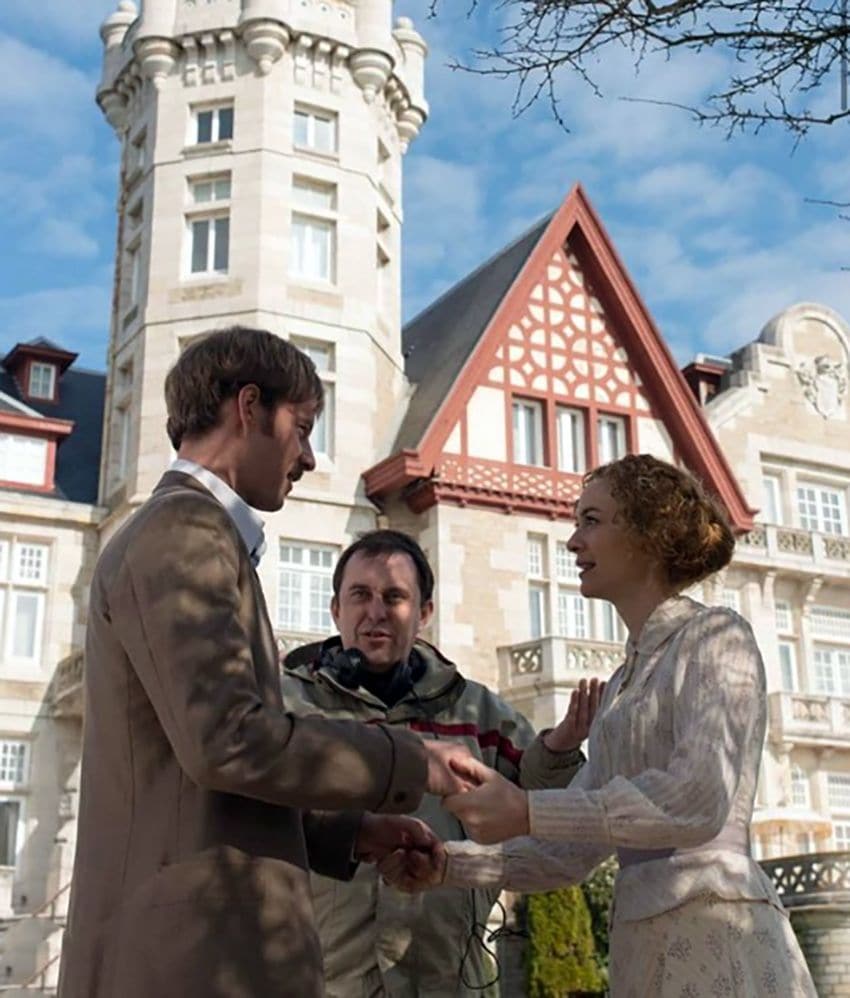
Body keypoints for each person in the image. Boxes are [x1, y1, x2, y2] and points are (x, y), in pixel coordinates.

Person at [58, 328, 472, 998]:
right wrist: (406, 759)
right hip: (191, 961)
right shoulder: (184, 534)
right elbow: (228, 741)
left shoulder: (194, 536)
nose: (308, 456)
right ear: (249, 407)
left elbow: (201, 779)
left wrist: (351, 833)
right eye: (303, 428)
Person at [381, 454, 818, 997]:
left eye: (591, 520)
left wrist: (526, 808)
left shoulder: (717, 636)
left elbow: (698, 797)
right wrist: (449, 863)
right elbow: (567, 854)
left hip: (721, 938)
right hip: (641, 947)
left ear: (645, 533)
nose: (572, 542)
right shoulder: (619, 687)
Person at [282, 529, 602, 997]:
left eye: (395, 597)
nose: (376, 612)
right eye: (360, 595)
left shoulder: (479, 714)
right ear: (335, 609)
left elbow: (544, 809)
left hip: (450, 984)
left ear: (425, 613)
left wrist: (558, 749)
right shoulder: (287, 707)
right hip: (321, 982)